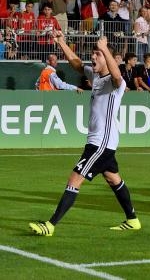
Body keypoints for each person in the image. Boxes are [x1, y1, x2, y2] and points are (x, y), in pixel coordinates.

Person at [29, 33, 140, 236]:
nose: (93, 57)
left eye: (97, 54)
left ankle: (50, 225)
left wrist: (105, 49)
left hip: (101, 143)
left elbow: (117, 76)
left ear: (107, 57)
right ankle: (133, 220)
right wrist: (61, 42)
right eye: (93, 54)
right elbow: (77, 65)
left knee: (75, 178)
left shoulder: (117, 83)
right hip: (100, 142)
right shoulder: (96, 76)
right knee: (114, 179)